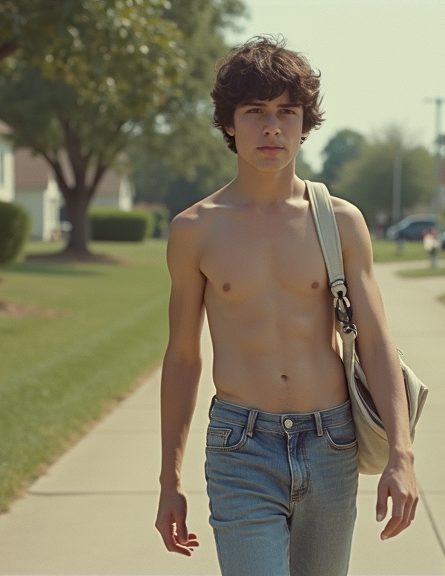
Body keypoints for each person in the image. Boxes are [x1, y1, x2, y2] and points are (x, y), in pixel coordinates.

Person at [154, 36, 418, 576]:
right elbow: (183, 357)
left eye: (286, 111)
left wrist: (402, 454)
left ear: (304, 123)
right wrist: (169, 481)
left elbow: (375, 340)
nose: (271, 127)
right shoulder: (195, 231)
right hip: (241, 447)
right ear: (229, 124)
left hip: (332, 441)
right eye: (255, 112)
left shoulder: (341, 221)